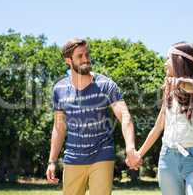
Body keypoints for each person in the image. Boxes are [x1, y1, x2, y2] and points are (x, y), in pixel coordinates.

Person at [46, 38, 142, 195]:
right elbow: (59, 127)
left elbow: (125, 116)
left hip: (102, 154)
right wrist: (52, 161)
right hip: (73, 158)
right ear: (68, 60)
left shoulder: (105, 85)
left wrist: (130, 147)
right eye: (80, 56)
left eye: (87, 54)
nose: (85, 59)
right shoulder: (59, 89)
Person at [137, 42, 193, 195]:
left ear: (178, 60)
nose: (165, 62)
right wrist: (139, 154)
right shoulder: (170, 89)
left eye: (168, 58)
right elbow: (159, 126)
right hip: (168, 159)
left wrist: (183, 83)